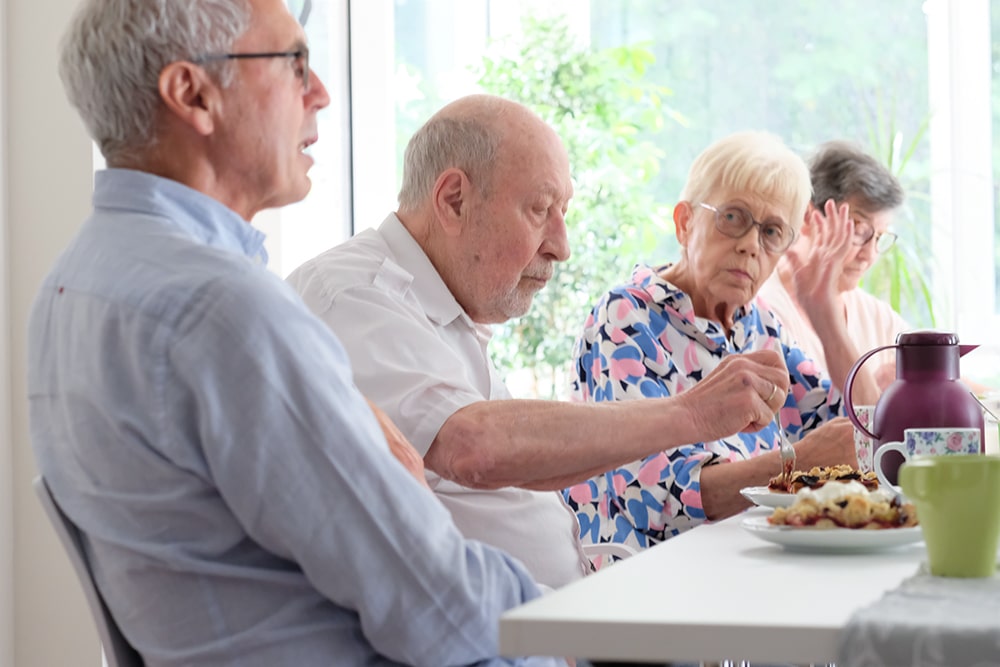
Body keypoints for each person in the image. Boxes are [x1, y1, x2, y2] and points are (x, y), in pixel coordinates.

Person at [29, 1, 565, 665]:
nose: (321, 92)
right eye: (293, 64)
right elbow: (442, 611)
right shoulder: (227, 311)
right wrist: (570, 634)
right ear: (192, 94)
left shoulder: (69, 285)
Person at [286, 94, 794, 589]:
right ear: (453, 201)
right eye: (540, 209)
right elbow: (474, 448)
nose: (562, 246)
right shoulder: (356, 294)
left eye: (563, 212)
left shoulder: (444, 311)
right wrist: (693, 415)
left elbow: (525, 468)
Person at [563, 131, 869, 550]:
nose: (749, 246)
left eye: (772, 232)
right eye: (733, 218)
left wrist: (827, 317)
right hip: (648, 577)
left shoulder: (758, 326)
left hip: (744, 560)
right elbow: (653, 500)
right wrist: (795, 466)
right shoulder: (626, 318)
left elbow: (858, 430)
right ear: (685, 222)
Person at [756, 140, 908, 391]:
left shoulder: (875, 315)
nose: (869, 255)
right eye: (858, 230)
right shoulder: (764, 311)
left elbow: (952, 384)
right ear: (807, 216)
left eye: (880, 238)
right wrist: (876, 393)